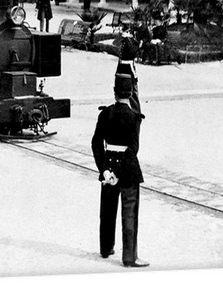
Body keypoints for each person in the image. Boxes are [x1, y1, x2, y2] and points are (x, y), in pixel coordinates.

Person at [91, 74, 148, 268]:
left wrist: (106, 171)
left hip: (109, 164)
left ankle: (106, 248)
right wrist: (120, 173)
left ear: (114, 92)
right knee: (129, 211)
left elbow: (96, 143)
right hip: (127, 169)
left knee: (107, 209)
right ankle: (130, 257)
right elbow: (133, 148)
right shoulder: (134, 117)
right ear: (130, 93)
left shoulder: (105, 113)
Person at [115, 27, 141, 114]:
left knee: (132, 92)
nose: (121, 32)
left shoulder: (130, 42)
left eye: (124, 31)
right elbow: (115, 43)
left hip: (128, 69)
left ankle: (137, 112)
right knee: (119, 91)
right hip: (122, 69)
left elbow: (132, 53)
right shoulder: (124, 41)